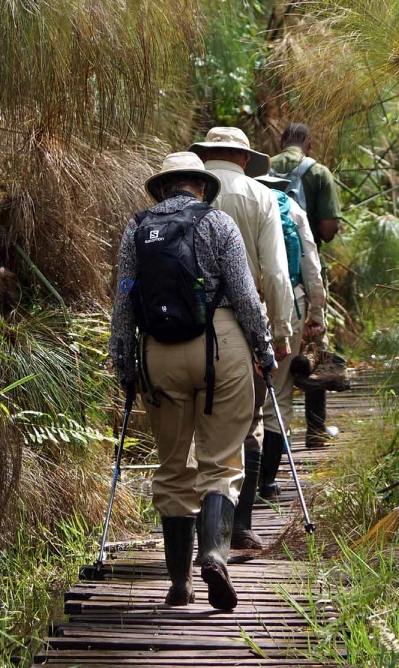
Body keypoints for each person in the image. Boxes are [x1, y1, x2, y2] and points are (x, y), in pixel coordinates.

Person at [108, 152, 276, 611]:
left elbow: (124, 304)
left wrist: (125, 366)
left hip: (159, 353)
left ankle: (179, 582)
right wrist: (264, 351)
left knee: (172, 467)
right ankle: (214, 555)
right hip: (221, 347)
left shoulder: (136, 229)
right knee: (221, 461)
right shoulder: (219, 224)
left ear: (163, 187)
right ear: (201, 186)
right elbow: (244, 295)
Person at [188, 127, 293, 550]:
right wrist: (280, 333)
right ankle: (239, 528)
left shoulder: (188, 194)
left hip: (180, 325)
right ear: (244, 159)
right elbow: (276, 274)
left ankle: (197, 535)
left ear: (207, 156)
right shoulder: (261, 196)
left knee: (196, 432)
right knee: (246, 426)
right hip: (242, 327)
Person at [269, 122, 345, 448]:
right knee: (315, 348)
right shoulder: (319, 173)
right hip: (306, 274)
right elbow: (328, 229)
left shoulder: (264, 168)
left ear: (282, 142)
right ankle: (315, 432)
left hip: (266, 273)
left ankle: (264, 434)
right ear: (308, 145)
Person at [254, 174, 326, 500]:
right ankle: (266, 482)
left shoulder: (235, 200)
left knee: (241, 394)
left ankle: (237, 483)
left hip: (240, 304)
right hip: (290, 304)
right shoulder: (292, 209)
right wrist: (317, 313)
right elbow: (311, 264)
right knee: (279, 394)